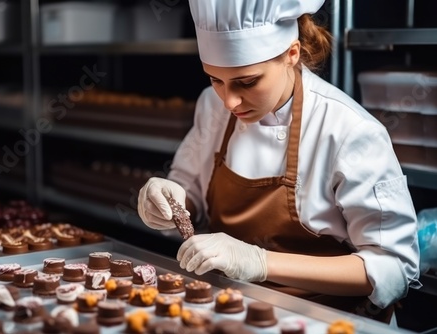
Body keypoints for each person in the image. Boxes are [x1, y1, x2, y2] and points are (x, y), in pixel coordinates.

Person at [137, 0, 421, 324]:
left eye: (247, 82)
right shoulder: (212, 107)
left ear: (292, 54)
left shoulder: (350, 132)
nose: (229, 101)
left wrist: (261, 262)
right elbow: (192, 194)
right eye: (215, 80)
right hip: (232, 313)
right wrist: (170, 197)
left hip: (329, 322)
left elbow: (393, 266)